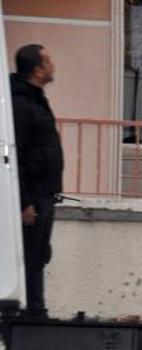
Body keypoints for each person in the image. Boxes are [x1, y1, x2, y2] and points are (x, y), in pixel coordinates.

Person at [10, 44, 62, 318]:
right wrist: (24, 201)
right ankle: (33, 311)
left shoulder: (34, 98)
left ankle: (36, 308)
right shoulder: (21, 103)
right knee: (32, 254)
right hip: (34, 195)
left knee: (39, 252)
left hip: (44, 192)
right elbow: (15, 153)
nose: (53, 65)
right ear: (38, 69)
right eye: (49, 60)